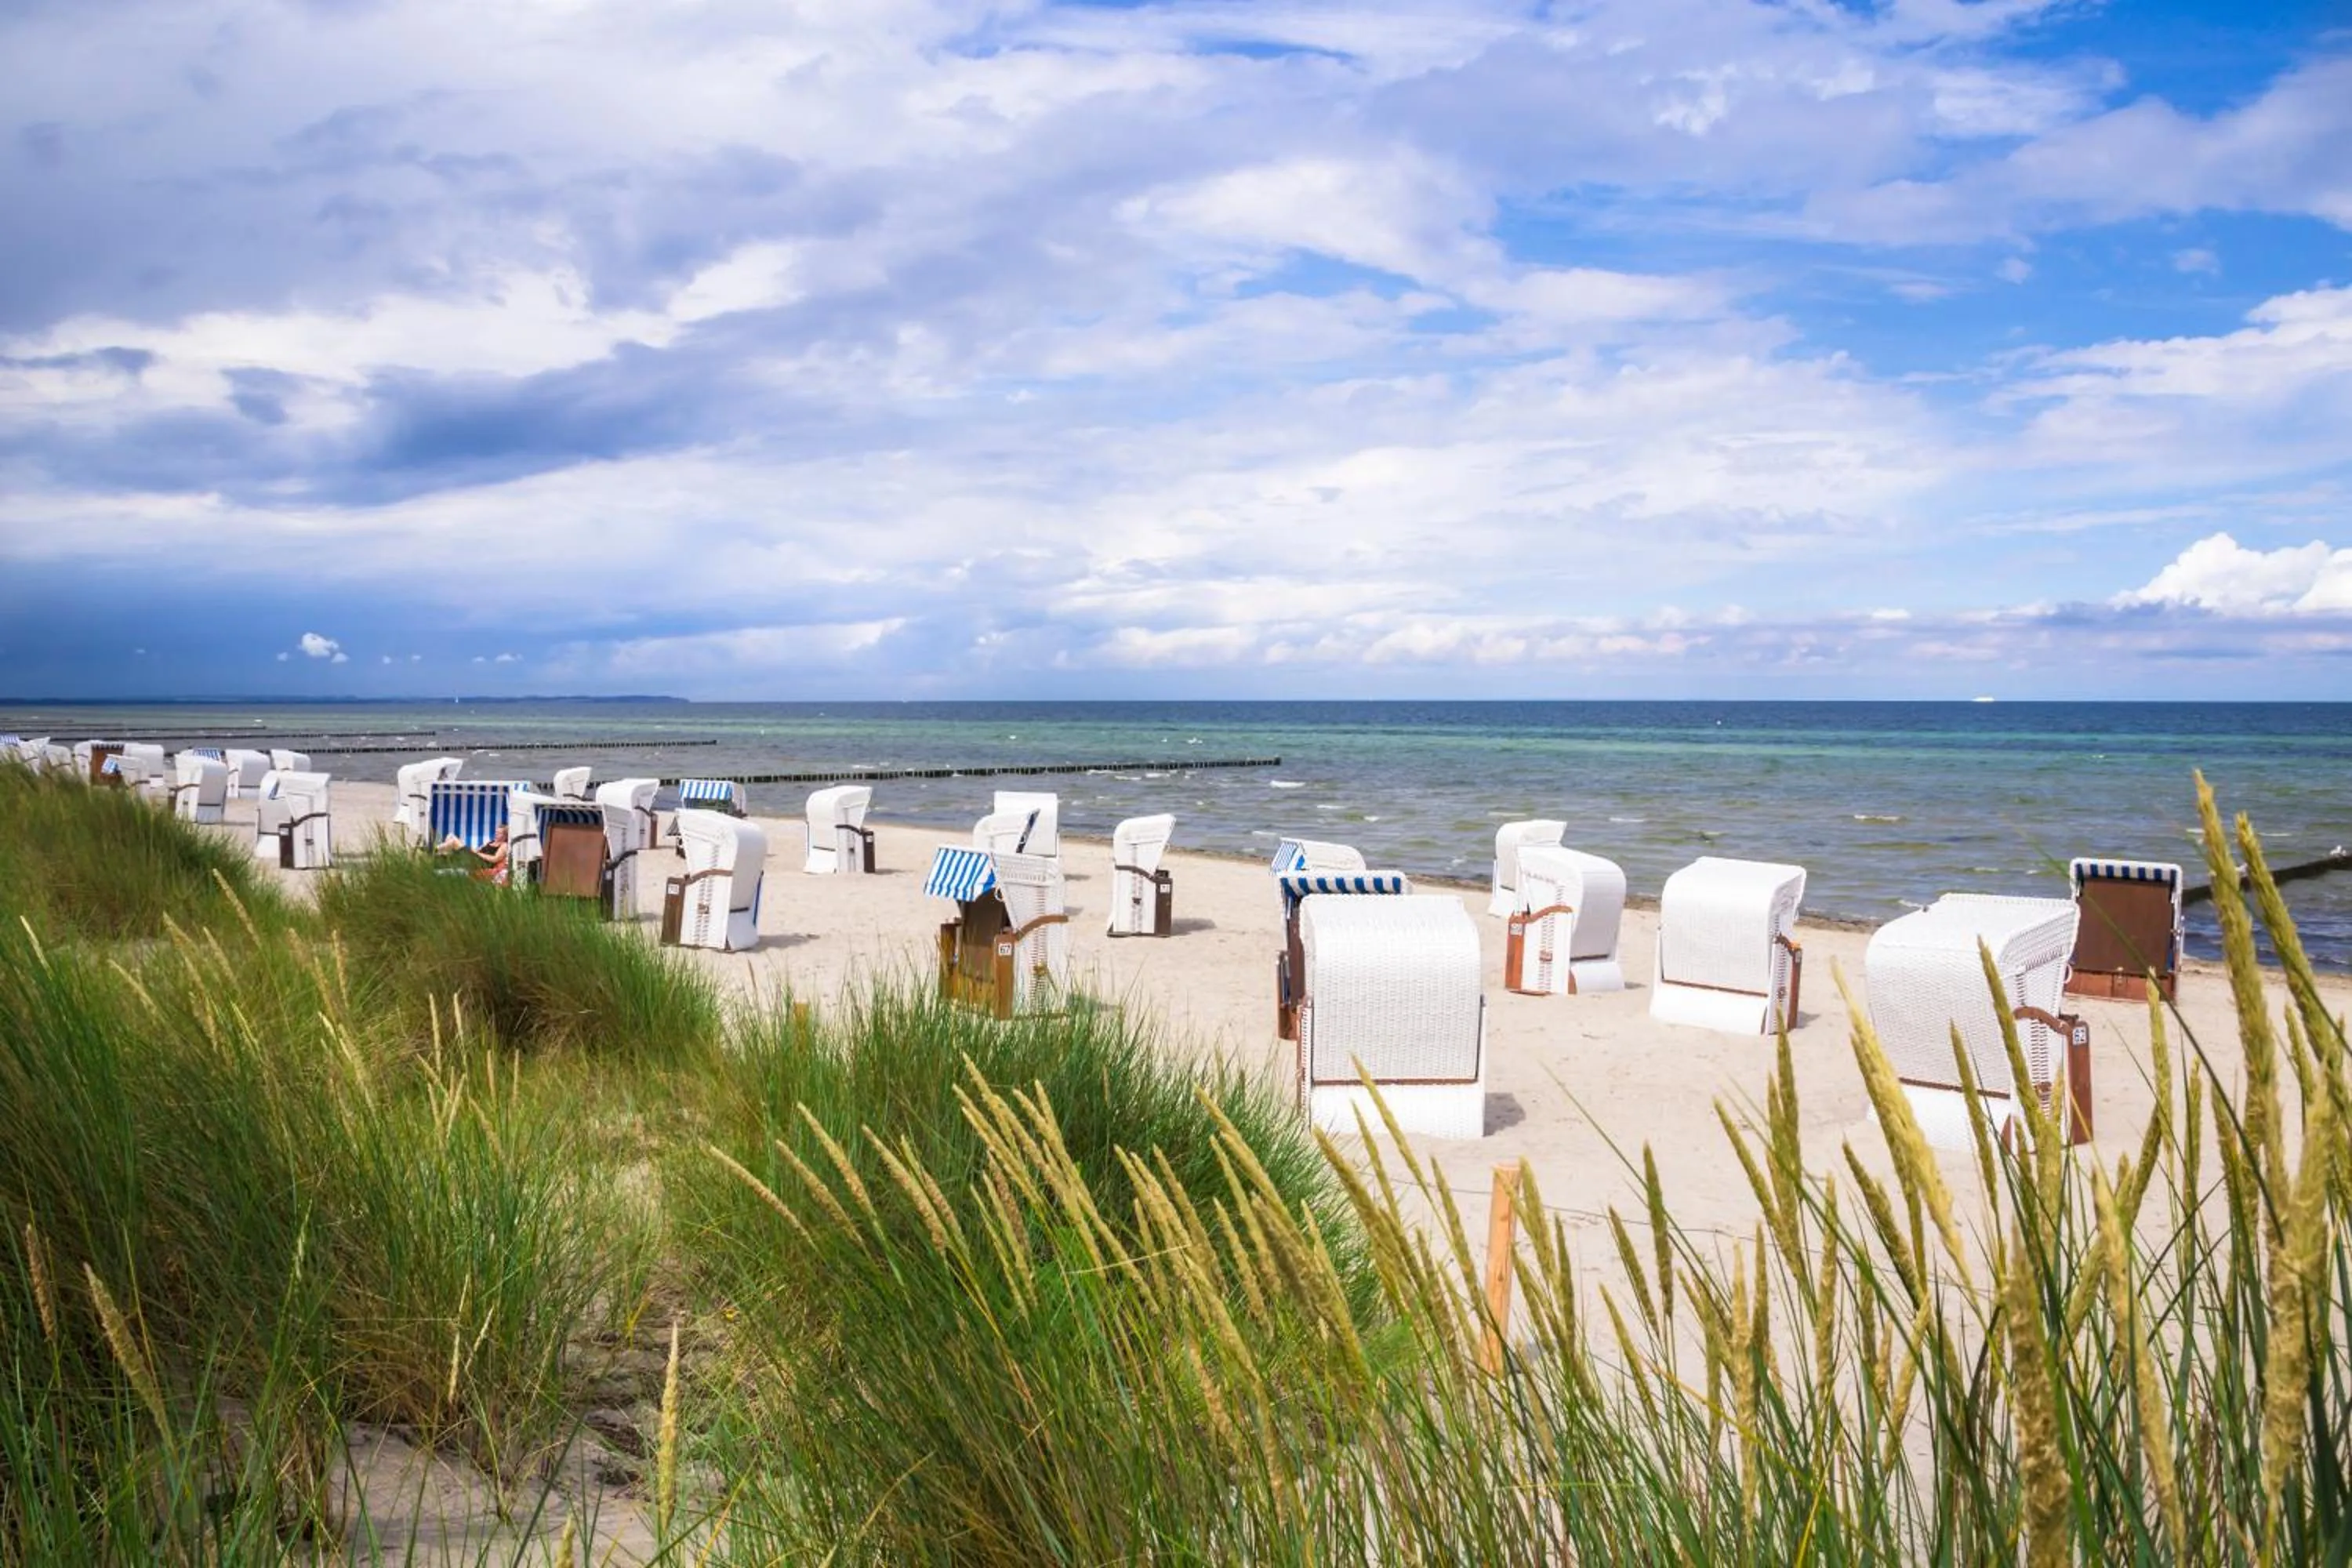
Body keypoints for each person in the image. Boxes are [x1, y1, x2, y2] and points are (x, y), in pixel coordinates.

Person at [437, 824, 511, 884]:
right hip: (475, 857)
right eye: (496, 832)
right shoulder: (491, 842)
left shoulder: (504, 845)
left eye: (499, 833)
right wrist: (474, 851)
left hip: (480, 862)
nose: (496, 834)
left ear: (505, 836)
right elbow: (478, 850)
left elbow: (495, 859)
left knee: (453, 841)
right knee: (451, 836)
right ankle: (442, 853)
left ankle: (435, 850)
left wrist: (478, 854)